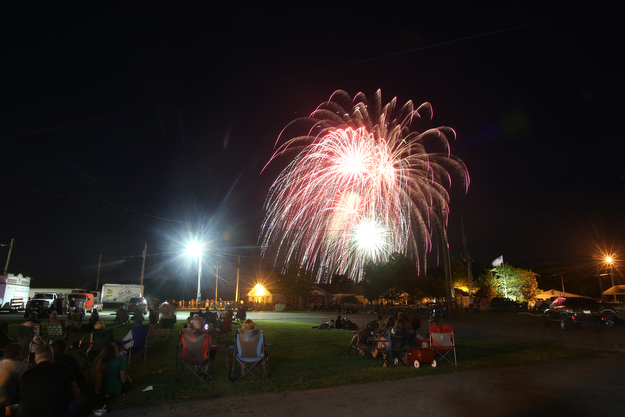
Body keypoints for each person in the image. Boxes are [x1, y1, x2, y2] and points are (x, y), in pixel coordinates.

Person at [19, 344, 86, 417]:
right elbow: (76, 392)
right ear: (52, 357)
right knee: (82, 398)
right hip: (58, 413)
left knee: (21, 402)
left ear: (35, 360)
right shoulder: (64, 369)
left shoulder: (25, 376)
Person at [0, 343, 26, 407]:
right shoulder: (20, 366)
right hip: (6, 401)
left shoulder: (1, 363)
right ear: (18, 354)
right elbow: (24, 383)